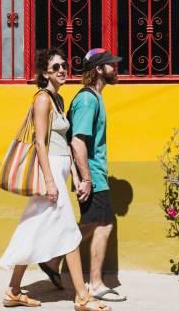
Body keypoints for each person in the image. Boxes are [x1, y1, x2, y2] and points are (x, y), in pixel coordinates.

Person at [0, 48, 111, 311]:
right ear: (44, 73)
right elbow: (39, 142)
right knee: (70, 231)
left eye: (64, 65)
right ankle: (82, 296)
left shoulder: (58, 100)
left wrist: (75, 175)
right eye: (56, 67)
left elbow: (64, 143)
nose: (62, 70)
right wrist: (50, 181)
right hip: (49, 173)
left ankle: (13, 291)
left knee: (32, 229)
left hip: (60, 170)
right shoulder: (42, 99)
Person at [42, 48, 127, 302]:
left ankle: (53, 260)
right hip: (93, 175)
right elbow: (77, 141)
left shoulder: (94, 98)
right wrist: (86, 178)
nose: (116, 67)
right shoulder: (88, 100)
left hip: (94, 173)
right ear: (99, 70)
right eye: (111, 64)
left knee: (94, 223)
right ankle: (95, 283)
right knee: (103, 223)